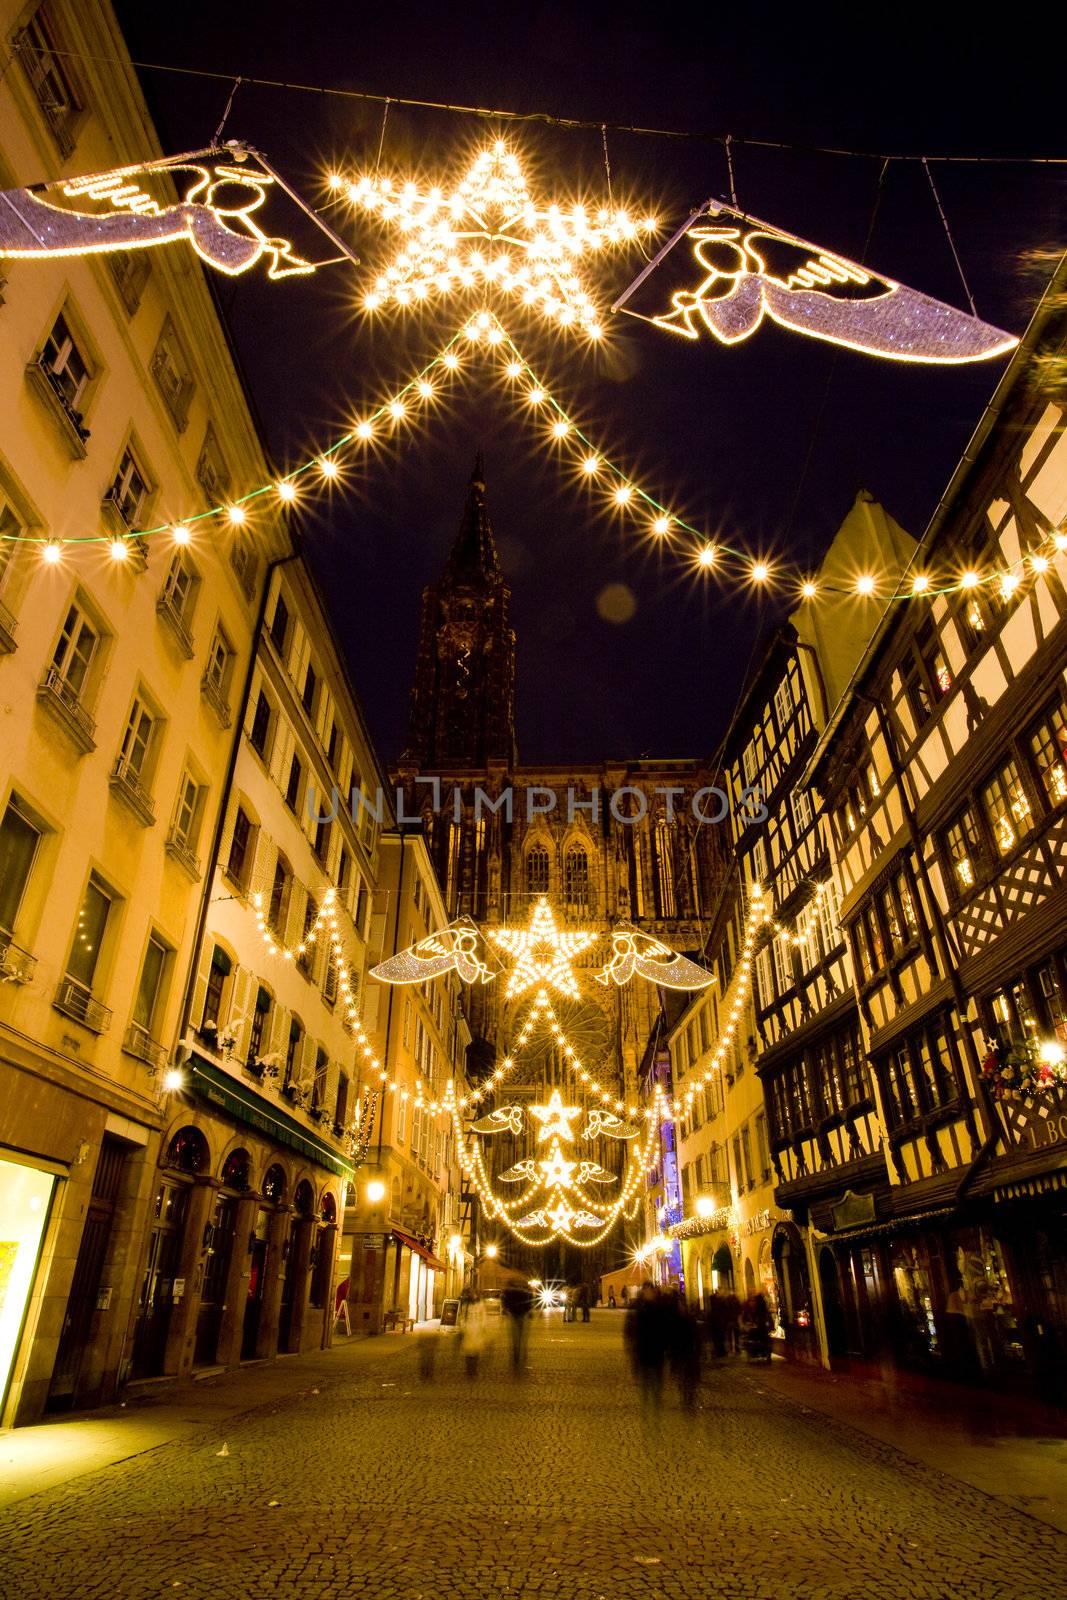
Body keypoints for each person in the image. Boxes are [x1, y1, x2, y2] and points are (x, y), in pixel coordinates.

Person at [624, 1282, 669, 1413]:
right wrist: (631, 1346)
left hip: (657, 1349)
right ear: (643, 1291)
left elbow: (666, 1326)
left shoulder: (660, 1307)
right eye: (647, 1290)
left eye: (651, 1290)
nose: (649, 1293)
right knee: (645, 1377)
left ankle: (656, 1401)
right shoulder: (637, 1307)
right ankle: (646, 1401)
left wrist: (667, 1345)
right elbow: (629, 1328)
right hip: (642, 1348)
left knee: (657, 1377)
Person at [501, 1281, 533, 1373]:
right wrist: (528, 1310)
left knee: (514, 1335)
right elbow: (530, 1301)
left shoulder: (509, 1291)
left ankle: (516, 1353)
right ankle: (521, 1351)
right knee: (522, 1335)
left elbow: (504, 1300)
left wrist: (506, 1309)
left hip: (513, 1314)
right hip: (522, 1314)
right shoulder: (525, 1291)